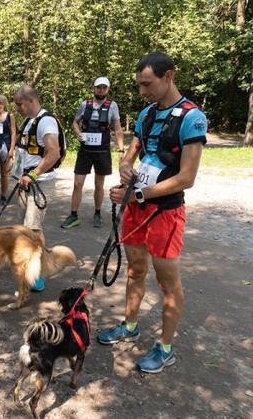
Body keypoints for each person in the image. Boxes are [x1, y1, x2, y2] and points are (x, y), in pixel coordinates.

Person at [97, 52, 207, 374]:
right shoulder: (145, 114)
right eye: (139, 85)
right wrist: (126, 170)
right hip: (135, 208)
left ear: (168, 76)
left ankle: (166, 347)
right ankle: (130, 325)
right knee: (134, 270)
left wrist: (139, 192)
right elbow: (129, 156)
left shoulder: (191, 117)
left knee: (168, 282)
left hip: (165, 213)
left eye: (147, 84)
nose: (142, 91)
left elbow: (187, 177)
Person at [13, 85, 62, 292]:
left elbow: (54, 153)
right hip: (26, 183)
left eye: (19, 104)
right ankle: (31, 266)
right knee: (27, 228)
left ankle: (39, 273)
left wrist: (32, 174)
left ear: (31, 101)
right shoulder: (29, 122)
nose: (17, 108)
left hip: (39, 183)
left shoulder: (46, 121)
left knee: (33, 229)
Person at [61, 77, 125, 229]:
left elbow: (117, 128)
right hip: (85, 150)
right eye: (98, 87)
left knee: (99, 184)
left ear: (108, 89)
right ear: (94, 88)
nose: (101, 90)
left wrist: (121, 150)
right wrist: (78, 133)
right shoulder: (85, 104)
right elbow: (75, 122)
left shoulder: (112, 106)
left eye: (104, 88)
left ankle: (97, 213)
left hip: (102, 150)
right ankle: (74, 215)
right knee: (77, 184)